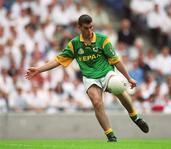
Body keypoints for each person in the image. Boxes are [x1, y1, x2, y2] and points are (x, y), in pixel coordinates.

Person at [25, 14, 149, 142]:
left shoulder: (102, 39)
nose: (89, 31)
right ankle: (111, 136)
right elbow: (58, 60)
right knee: (96, 102)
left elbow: (116, 61)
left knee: (118, 88)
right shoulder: (74, 44)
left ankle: (135, 117)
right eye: (86, 28)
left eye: (91, 27)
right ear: (79, 27)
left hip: (106, 73)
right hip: (90, 78)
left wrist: (129, 78)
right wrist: (39, 69)